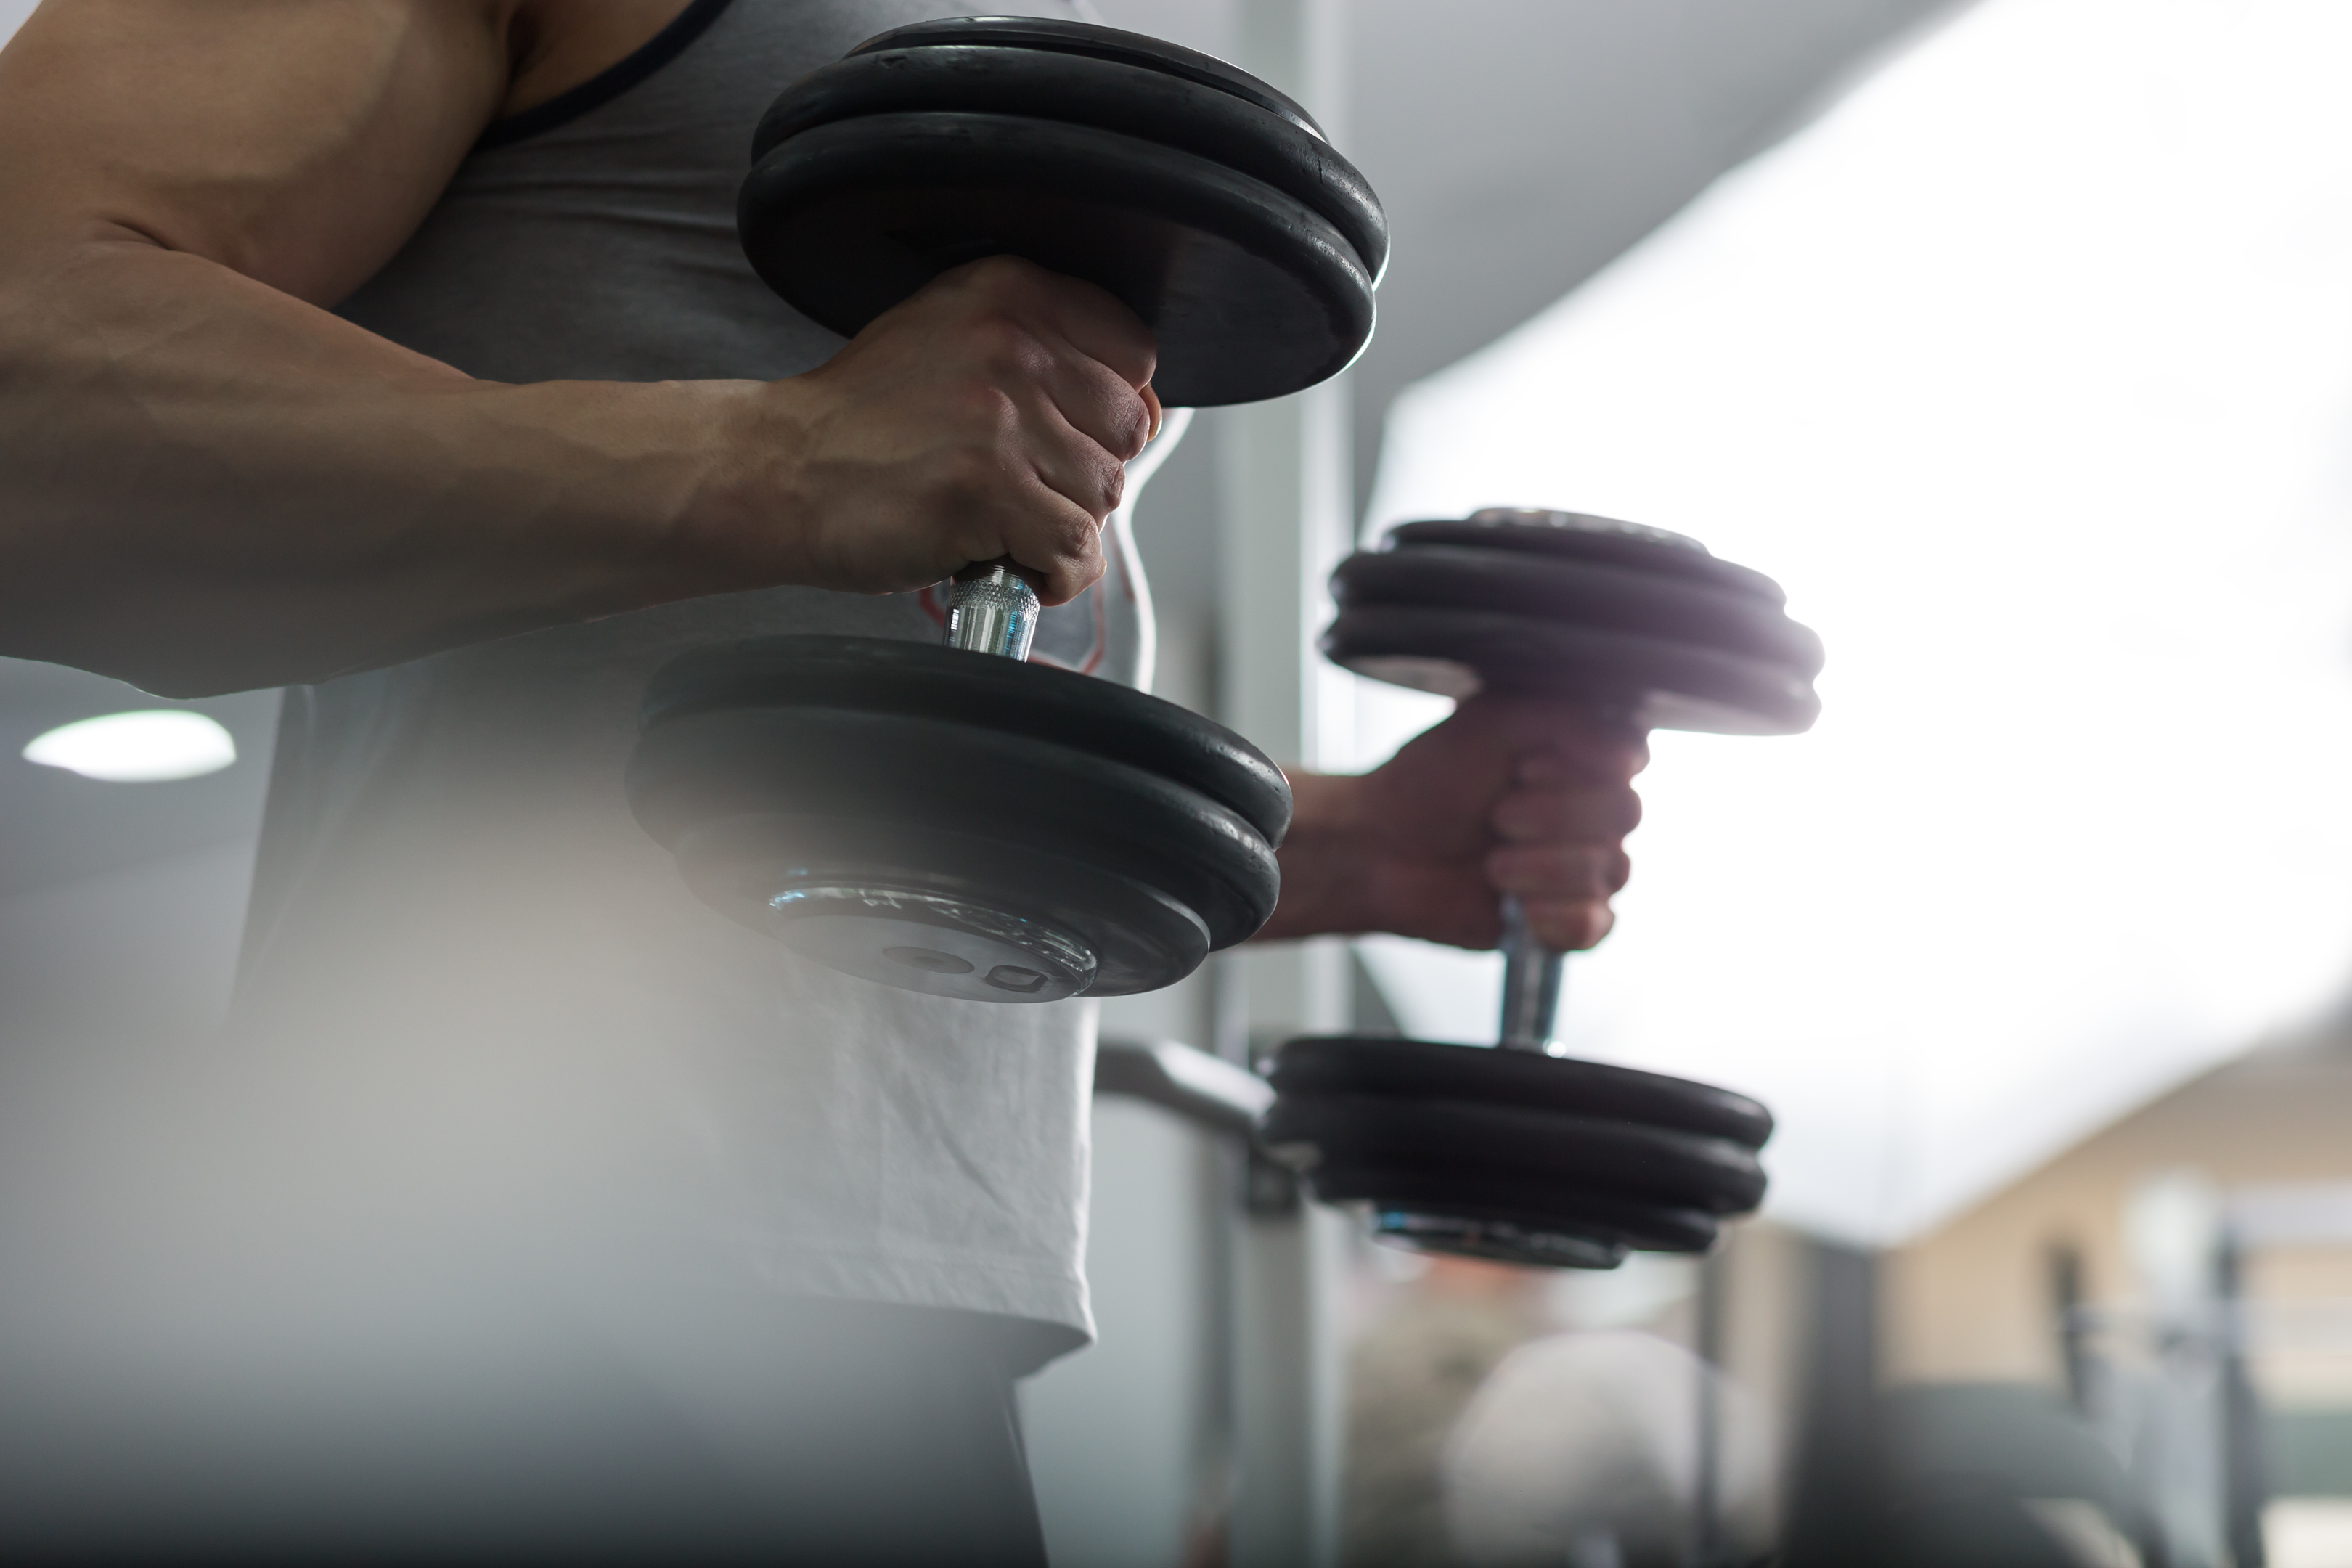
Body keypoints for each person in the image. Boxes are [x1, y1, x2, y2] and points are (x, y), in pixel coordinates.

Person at [0, 0, 1646, 1559]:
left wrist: (1341, 846)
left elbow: (812, 683)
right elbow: (28, 386)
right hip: (463, 1286)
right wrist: (775, 457)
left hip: (917, 1334)